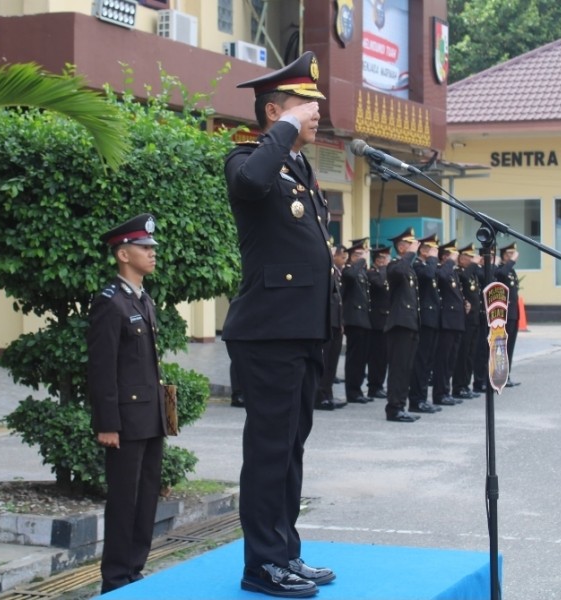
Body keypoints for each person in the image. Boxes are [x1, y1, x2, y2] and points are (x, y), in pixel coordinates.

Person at [222, 50, 335, 598]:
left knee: (291, 448)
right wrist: (284, 129)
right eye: (304, 103)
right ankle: (261, 564)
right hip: (268, 333)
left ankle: (285, 553)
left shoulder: (300, 167)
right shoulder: (246, 159)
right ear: (273, 112)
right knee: (269, 451)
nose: (317, 110)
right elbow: (248, 186)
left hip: (301, 331)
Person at [87, 213, 168, 594]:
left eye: (152, 248)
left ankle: (135, 569)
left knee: (147, 495)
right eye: (145, 248)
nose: (152, 254)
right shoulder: (110, 303)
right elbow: (103, 369)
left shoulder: (142, 299)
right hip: (125, 420)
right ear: (123, 254)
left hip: (150, 416)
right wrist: (107, 423)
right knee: (124, 500)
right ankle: (116, 578)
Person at [383, 228, 422, 423]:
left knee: (406, 368)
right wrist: (411, 254)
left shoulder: (408, 267)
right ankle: (394, 408)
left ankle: (401, 405)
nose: (415, 246)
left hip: (410, 324)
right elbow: (397, 272)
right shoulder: (395, 265)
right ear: (401, 247)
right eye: (410, 244)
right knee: (398, 369)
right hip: (399, 325)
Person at [408, 233, 441, 414]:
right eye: (429, 248)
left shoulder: (429, 264)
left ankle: (422, 398)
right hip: (424, 319)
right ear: (422, 250)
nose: (433, 252)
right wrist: (433, 259)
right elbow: (428, 275)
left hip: (433, 319)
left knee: (428, 362)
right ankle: (416, 400)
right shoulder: (419, 265)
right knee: (420, 362)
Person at [341, 237, 373, 405]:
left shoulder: (361, 272)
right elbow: (351, 276)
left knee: (362, 358)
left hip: (364, 320)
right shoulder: (348, 271)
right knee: (354, 358)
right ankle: (352, 391)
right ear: (351, 256)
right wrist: (361, 261)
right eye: (358, 254)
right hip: (354, 320)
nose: (362, 257)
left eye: (363, 254)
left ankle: (358, 389)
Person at [433, 240, 464, 406]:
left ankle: (446, 391)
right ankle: (440, 393)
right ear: (444, 257)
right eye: (452, 255)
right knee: (443, 361)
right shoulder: (441, 269)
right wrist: (450, 260)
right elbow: (441, 277)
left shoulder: (452, 272)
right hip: (446, 322)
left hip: (456, 321)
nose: (456, 258)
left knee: (451, 359)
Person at [317, 244, 347, 410]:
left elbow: (338, 301)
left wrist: (341, 322)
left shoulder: (335, 271)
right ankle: (320, 396)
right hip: (326, 322)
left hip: (336, 323)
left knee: (332, 362)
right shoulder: (324, 270)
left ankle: (328, 394)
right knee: (324, 361)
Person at [452, 243, 483, 398]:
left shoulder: (472, 273)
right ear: (460, 258)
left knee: (470, 354)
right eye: (468, 257)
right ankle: (458, 386)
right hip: (464, 319)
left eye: (472, 257)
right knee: (462, 355)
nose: (471, 260)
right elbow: (462, 278)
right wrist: (474, 264)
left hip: (474, 319)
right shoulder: (458, 272)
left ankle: (465, 384)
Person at [366, 245, 391, 399]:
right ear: (377, 260)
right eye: (382, 258)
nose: (385, 261)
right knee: (376, 357)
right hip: (376, 321)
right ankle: (374, 386)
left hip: (386, 320)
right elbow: (380, 284)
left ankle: (379, 385)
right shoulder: (373, 273)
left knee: (383, 357)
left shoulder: (384, 273)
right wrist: (383, 268)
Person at [495, 242, 521, 387]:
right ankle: (500, 375)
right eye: (509, 254)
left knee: (510, 346)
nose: (513, 257)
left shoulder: (511, 271)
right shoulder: (501, 269)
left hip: (513, 313)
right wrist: (510, 262)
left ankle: (507, 375)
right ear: (504, 255)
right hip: (504, 314)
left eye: (513, 254)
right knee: (502, 346)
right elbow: (501, 274)